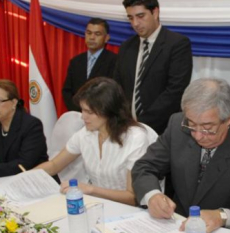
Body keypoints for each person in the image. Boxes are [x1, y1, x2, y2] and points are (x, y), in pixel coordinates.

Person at [132, 78, 230, 233]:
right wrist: (152, 196)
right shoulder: (177, 125)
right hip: (176, 228)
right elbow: (145, 167)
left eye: (207, 128)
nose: (197, 135)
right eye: (191, 124)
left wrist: (222, 216)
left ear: (229, 119)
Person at [38, 77, 152, 205]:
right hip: (98, 206)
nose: (82, 116)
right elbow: (54, 165)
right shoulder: (85, 133)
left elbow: (133, 197)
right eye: (82, 110)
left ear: (109, 111)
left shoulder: (135, 138)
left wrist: (91, 189)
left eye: (89, 112)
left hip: (128, 212)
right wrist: (24, 177)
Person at [113, 0, 193, 134]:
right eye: (130, 18)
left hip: (163, 131)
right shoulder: (126, 47)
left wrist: (141, 124)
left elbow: (175, 92)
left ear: (155, 12)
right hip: (128, 130)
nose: (135, 23)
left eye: (140, 16)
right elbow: (118, 88)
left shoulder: (177, 44)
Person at [62, 18, 117, 111]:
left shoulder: (115, 61)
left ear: (107, 38)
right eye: (89, 33)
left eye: (97, 34)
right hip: (78, 115)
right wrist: (80, 111)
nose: (92, 37)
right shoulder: (75, 61)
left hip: (102, 114)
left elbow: (113, 92)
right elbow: (67, 91)